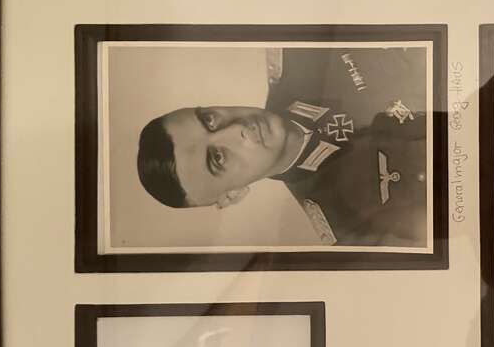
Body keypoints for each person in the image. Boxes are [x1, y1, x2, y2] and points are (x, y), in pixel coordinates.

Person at [137, 47, 430, 247]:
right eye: (217, 157)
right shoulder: (348, 225)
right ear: (234, 195)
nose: (237, 128)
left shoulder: (305, 51)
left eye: (210, 119)